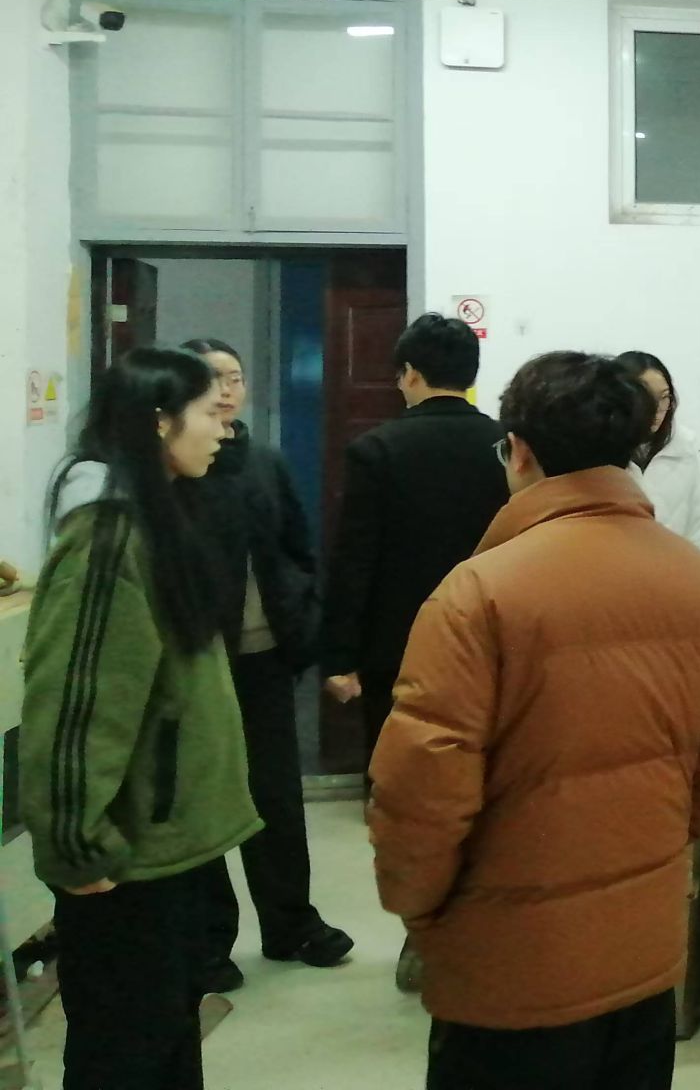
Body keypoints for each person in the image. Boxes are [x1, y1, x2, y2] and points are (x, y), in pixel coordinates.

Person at [368, 352, 700, 1090]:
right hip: (645, 950)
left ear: (518, 451)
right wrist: (647, 842)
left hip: (510, 967)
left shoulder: (478, 594)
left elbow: (421, 789)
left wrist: (419, 909)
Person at [22, 349, 259, 1090]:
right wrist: (75, 843)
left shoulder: (163, 519)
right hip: (124, 861)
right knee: (123, 1048)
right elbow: (76, 705)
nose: (224, 427)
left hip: (171, 847)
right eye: (209, 413)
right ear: (160, 422)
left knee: (167, 1035)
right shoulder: (107, 539)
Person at [179, 339, 353, 993]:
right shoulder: (178, 468)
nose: (227, 390)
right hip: (201, 663)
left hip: (264, 658)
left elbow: (297, 548)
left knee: (275, 796)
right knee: (205, 798)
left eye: (235, 377)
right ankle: (208, 941)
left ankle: (291, 925)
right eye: (212, 379)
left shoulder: (265, 461)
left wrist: (301, 622)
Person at [322, 314, 507, 763]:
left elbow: (356, 558)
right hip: (491, 632)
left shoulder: (376, 449)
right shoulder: (509, 446)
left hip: (398, 643)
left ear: (410, 373)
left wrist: (340, 655)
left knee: (400, 766)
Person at [617, 349, 700, 546]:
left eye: (664, 397)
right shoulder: (597, 451)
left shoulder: (683, 447)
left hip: (674, 561)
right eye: (646, 398)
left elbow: (698, 527)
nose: (657, 409)